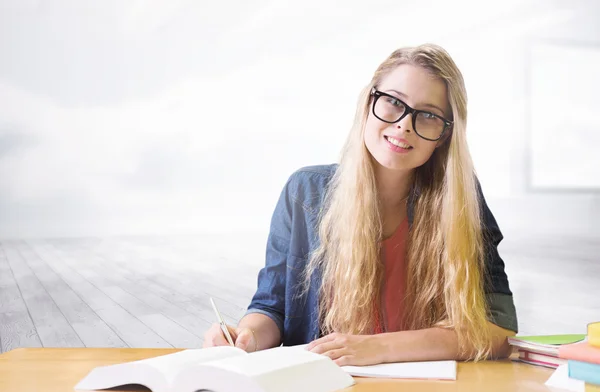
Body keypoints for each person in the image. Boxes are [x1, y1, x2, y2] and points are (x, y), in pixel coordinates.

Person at [203, 43, 518, 366]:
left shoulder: (460, 201)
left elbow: (500, 330)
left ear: (445, 136)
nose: (404, 125)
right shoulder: (305, 193)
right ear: (369, 103)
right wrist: (247, 338)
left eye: (427, 115)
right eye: (394, 102)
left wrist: (379, 348)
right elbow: (272, 309)